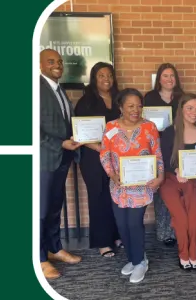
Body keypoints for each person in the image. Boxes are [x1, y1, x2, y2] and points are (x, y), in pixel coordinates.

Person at [99, 88, 164, 283]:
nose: (136, 110)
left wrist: (160, 177)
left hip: (141, 187)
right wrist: (111, 174)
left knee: (134, 224)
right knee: (122, 224)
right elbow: (104, 154)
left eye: (139, 106)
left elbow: (158, 155)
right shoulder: (111, 128)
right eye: (131, 106)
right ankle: (135, 258)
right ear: (120, 107)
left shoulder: (149, 127)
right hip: (119, 187)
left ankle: (140, 262)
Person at [38, 49, 82, 279]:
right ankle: (40, 258)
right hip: (45, 160)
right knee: (41, 211)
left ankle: (54, 249)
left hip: (61, 159)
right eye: (52, 61)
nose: (58, 65)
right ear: (40, 64)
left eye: (60, 62)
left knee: (55, 208)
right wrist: (61, 144)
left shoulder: (59, 89)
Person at [160, 93, 196, 271]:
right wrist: (175, 170)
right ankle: (183, 254)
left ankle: (193, 253)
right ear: (181, 109)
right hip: (170, 181)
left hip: (192, 182)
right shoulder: (170, 132)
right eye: (189, 108)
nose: (194, 112)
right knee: (181, 219)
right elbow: (164, 160)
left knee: (193, 219)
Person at [73, 62, 123, 258]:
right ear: (94, 78)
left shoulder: (119, 99)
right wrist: (100, 148)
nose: (106, 79)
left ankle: (117, 235)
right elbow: (79, 133)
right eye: (101, 75)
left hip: (116, 156)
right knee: (99, 197)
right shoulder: (86, 102)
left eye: (109, 75)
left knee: (117, 196)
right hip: (93, 157)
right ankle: (103, 242)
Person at [144, 63, 184, 247]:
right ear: (159, 79)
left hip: (177, 147)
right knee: (162, 189)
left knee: (178, 188)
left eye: (172, 76)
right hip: (156, 147)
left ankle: (179, 229)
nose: (169, 79)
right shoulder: (150, 97)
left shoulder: (181, 98)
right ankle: (164, 232)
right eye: (165, 76)